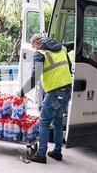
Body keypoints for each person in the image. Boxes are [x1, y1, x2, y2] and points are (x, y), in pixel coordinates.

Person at [19, 34, 72, 164]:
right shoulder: (62, 49)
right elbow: (69, 67)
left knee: (44, 121)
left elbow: (34, 78)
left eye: (33, 46)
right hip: (67, 90)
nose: (34, 49)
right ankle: (57, 152)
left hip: (55, 93)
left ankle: (41, 154)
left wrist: (21, 92)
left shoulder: (40, 54)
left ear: (37, 42)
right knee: (58, 121)